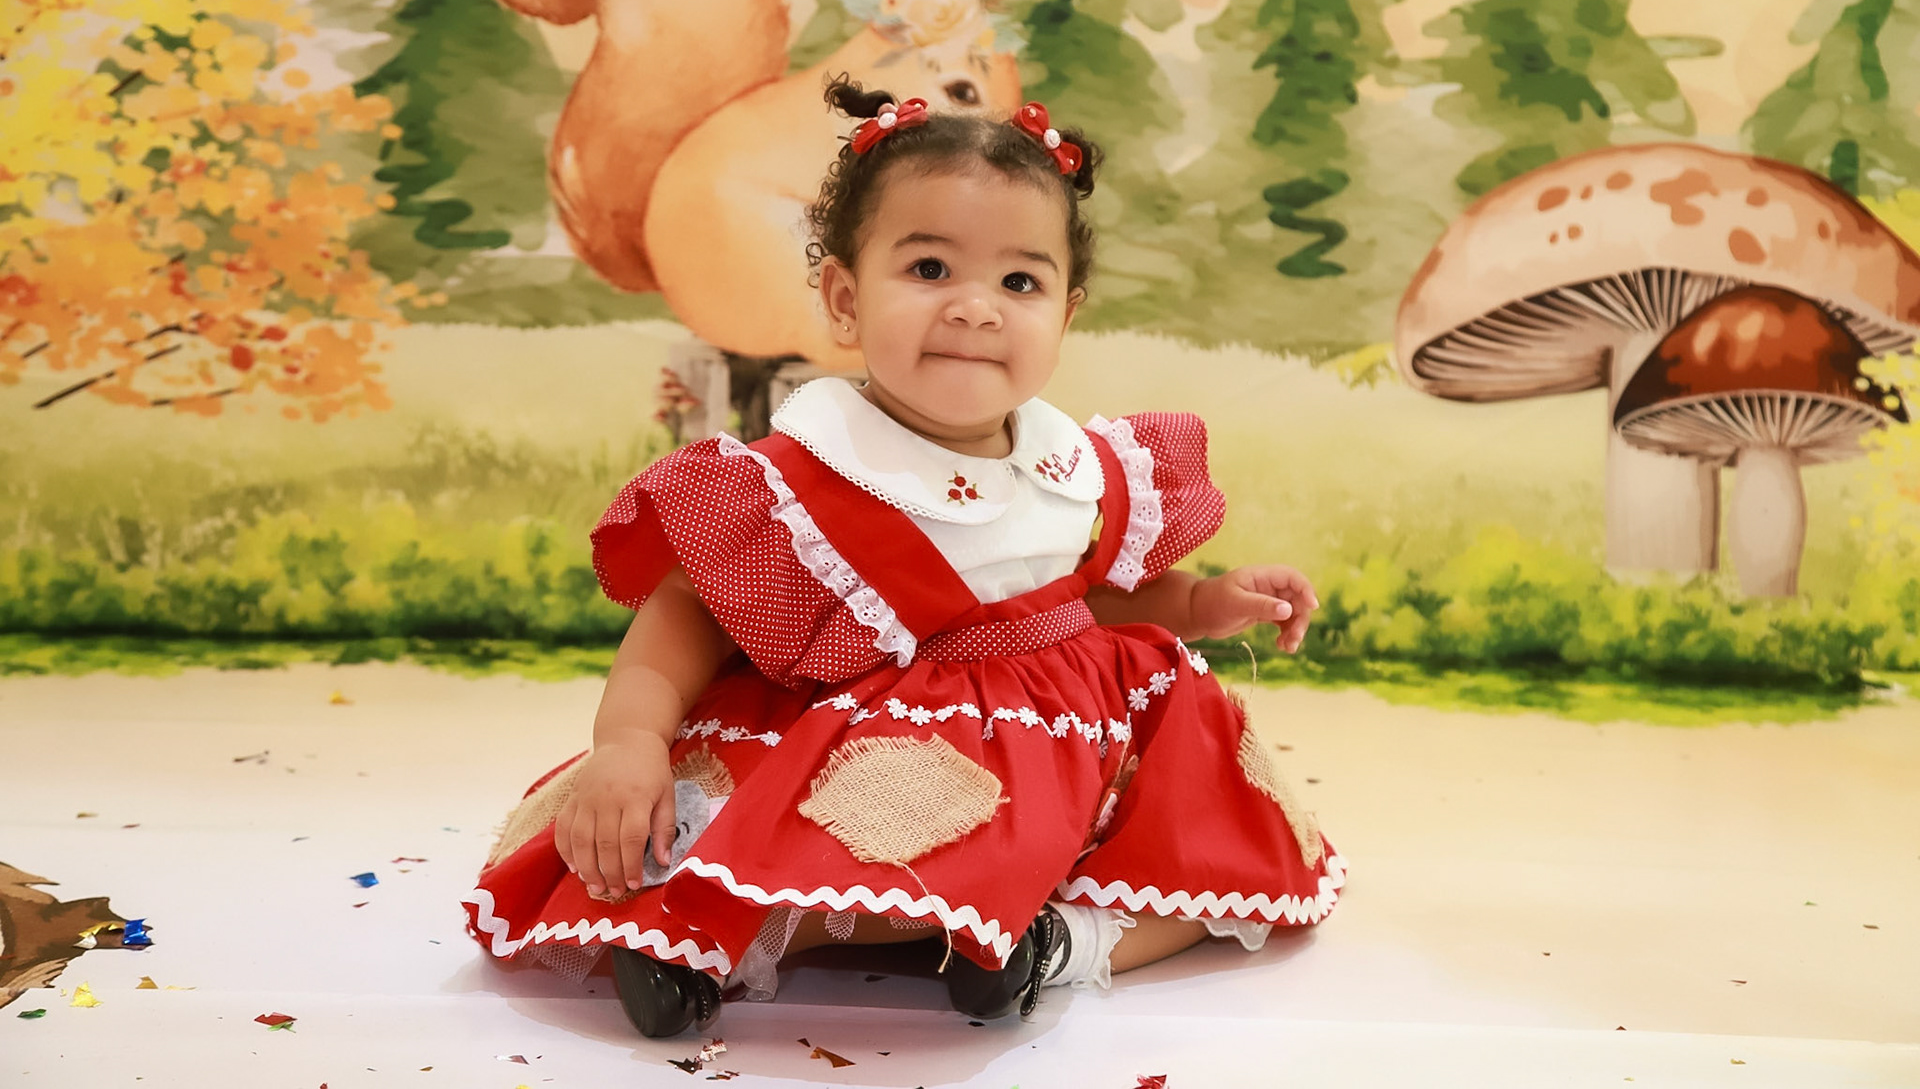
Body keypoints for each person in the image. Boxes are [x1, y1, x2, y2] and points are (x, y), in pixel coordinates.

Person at [463, 78, 1345, 1038]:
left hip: (1069, 740)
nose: (976, 309)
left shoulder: (1075, 466)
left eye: (1019, 284)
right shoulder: (806, 479)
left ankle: (1058, 945)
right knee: (837, 841)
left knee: (1222, 844)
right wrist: (629, 742)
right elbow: (686, 614)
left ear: (1065, 314)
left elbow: (1085, 598)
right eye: (930, 268)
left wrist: (1206, 602)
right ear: (845, 299)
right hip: (891, 743)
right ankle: (713, 937)